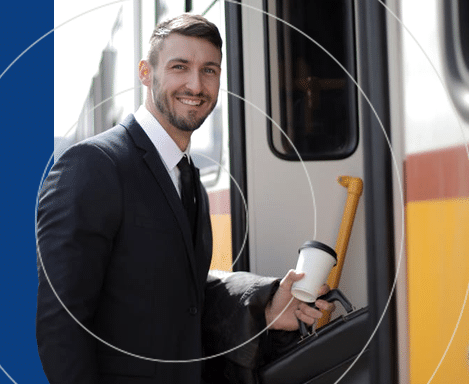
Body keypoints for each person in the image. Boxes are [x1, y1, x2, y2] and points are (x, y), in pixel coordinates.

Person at [36, 13, 334, 384]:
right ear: (146, 73)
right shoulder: (92, 165)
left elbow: (185, 295)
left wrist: (267, 308)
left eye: (209, 70)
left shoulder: (189, 178)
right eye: (180, 67)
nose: (196, 84)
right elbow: (60, 324)